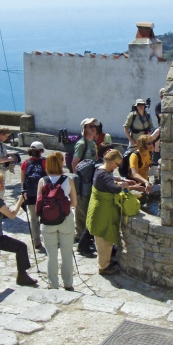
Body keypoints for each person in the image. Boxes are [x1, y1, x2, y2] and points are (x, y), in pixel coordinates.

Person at [0, 171, 37, 301]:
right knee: (21, 247)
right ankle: (22, 276)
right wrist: (21, 200)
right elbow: (12, 215)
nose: (3, 184)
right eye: (0, 182)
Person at [87, 150, 144, 275]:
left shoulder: (100, 170)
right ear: (112, 162)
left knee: (103, 240)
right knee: (104, 240)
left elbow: (111, 181)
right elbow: (115, 188)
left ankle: (106, 261)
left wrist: (125, 183)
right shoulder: (104, 175)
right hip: (102, 211)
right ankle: (103, 267)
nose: (117, 167)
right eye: (117, 164)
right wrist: (124, 185)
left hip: (100, 209)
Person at [36, 152, 77, 290]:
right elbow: (75, 203)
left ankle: (53, 284)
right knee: (66, 253)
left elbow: (39, 202)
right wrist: (63, 206)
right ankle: (68, 283)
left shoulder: (42, 181)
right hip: (65, 219)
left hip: (47, 222)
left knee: (51, 255)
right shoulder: (68, 180)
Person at [72, 118, 98, 255]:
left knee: (88, 208)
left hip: (90, 180)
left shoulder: (92, 142)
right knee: (81, 210)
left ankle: (87, 236)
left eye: (94, 126)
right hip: (82, 183)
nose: (93, 128)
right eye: (90, 126)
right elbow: (74, 164)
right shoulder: (81, 144)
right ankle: (80, 237)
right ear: (84, 129)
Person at [20, 141, 47, 250]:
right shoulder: (44, 162)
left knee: (33, 218)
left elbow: (22, 180)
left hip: (30, 195)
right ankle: (49, 239)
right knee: (46, 217)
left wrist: (23, 191)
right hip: (43, 195)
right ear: (41, 151)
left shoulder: (25, 163)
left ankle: (36, 242)